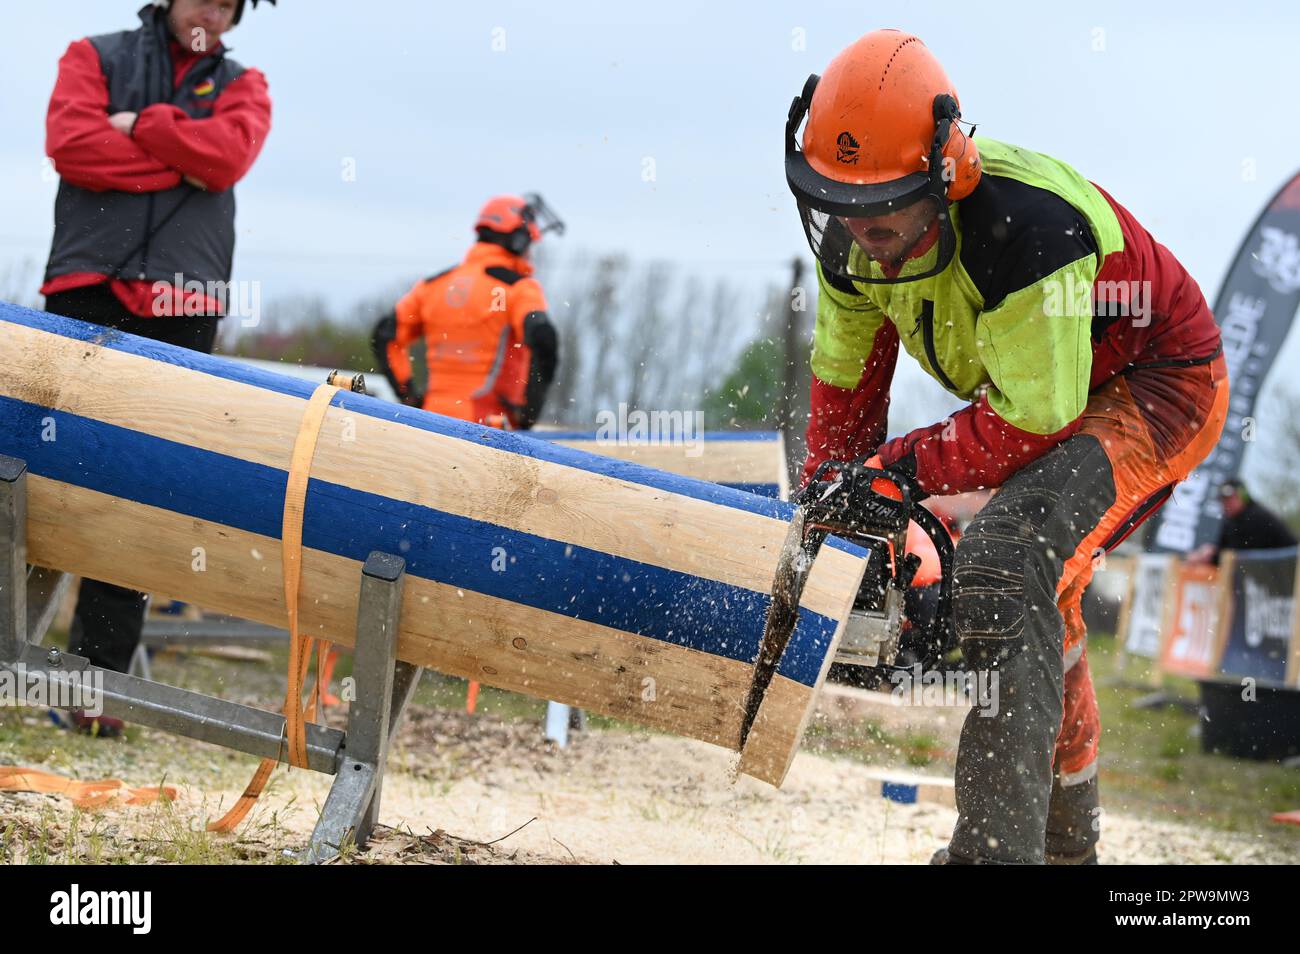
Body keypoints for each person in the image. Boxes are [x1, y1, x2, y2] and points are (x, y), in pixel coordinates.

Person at [787, 30, 1227, 863]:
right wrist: (833, 508)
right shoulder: (852, 244)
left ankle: (995, 854)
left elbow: (1033, 417)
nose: (861, 228)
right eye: (840, 203)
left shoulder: (1027, 230)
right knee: (1040, 593)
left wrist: (899, 471)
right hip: (1044, 393)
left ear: (946, 172)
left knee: (1006, 555)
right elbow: (845, 396)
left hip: (1157, 384)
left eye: (884, 206)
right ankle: (1068, 844)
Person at [41, 0, 274, 735]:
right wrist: (182, 165)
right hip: (87, 285)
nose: (212, 8)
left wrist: (141, 127)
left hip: (182, 301)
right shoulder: (93, 54)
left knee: (139, 493)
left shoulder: (246, 85)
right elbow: (72, 146)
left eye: (228, 2)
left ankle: (92, 694)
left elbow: (229, 158)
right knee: (39, 478)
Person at [374, 194, 561, 430]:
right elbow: (545, 339)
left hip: (429, 426)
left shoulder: (433, 285)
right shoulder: (519, 289)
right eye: (530, 244)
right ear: (518, 241)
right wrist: (529, 413)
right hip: (490, 431)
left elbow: (385, 335)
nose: (530, 253)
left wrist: (409, 396)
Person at [1188, 479, 1297, 564]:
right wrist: (1208, 553)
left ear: (1243, 496)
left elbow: (1237, 555)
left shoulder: (1256, 517)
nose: (1226, 504)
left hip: (1288, 577)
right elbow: (1225, 550)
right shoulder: (1231, 520)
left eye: (1230, 498)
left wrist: (1210, 557)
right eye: (1223, 500)